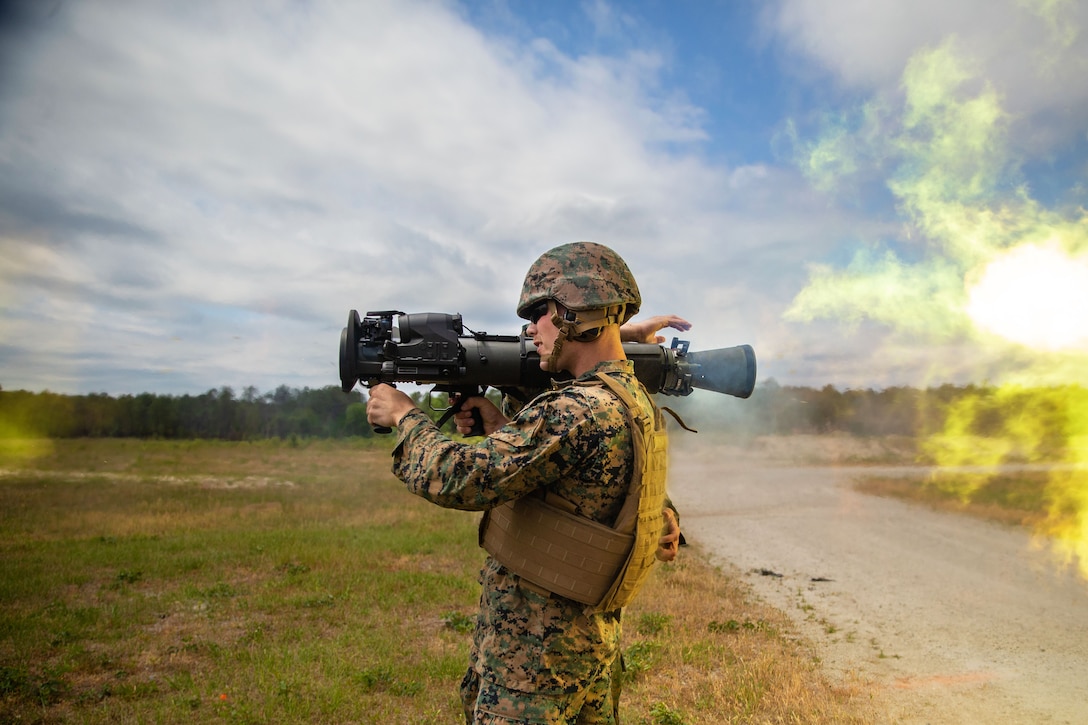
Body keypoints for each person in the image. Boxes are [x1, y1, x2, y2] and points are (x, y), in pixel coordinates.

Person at [366, 242, 688, 724]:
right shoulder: (630, 397)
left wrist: (405, 417)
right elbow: (580, 484)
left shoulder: (576, 411)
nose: (530, 329)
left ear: (577, 316)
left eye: (541, 313)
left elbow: (459, 477)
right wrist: (502, 426)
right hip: (587, 652)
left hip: (534, 667)